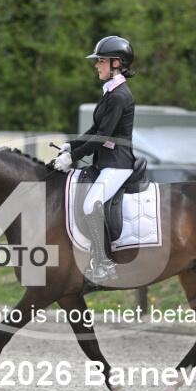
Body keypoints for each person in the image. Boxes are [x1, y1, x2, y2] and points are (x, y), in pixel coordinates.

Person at [54, 35, 136, 284]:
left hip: (118, 164)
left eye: (100, 61)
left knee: (91, 205)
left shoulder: (119, 96)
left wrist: (72, 157)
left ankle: (104, 264)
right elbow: (95, 130)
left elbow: (102, 137)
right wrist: (71, 145)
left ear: (116, 63)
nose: (96, 65)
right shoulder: (110, 92)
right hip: (106, 162)